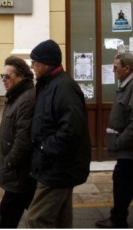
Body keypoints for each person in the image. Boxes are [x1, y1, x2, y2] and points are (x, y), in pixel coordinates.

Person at [26, 39, 91, 228]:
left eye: (34, 62)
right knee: (60, 220)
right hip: (55, 165)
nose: (32, 66)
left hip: (58, 167)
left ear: (46, 64)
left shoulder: (64, 87)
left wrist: (45, 147)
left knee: (37, 218)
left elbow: (72, 130)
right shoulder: (48, 84)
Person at [95, 52, 133, 228]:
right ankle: (118, 217)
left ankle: (118, 219)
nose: (113, 71)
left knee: (122, 177)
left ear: (127, 68)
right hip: (132, 147)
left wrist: (121, 142)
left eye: (115, 67)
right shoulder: (129, 84)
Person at [0, 56, 36, 228]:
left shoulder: (26, 99)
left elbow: (23, 139)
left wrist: (9, 162)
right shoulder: (15, 96)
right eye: (2, 76)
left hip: (19, 172)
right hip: (17, 172)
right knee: (35, 213)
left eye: (7, 76)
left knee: (7, 214)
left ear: (20, 77)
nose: (4, 80)